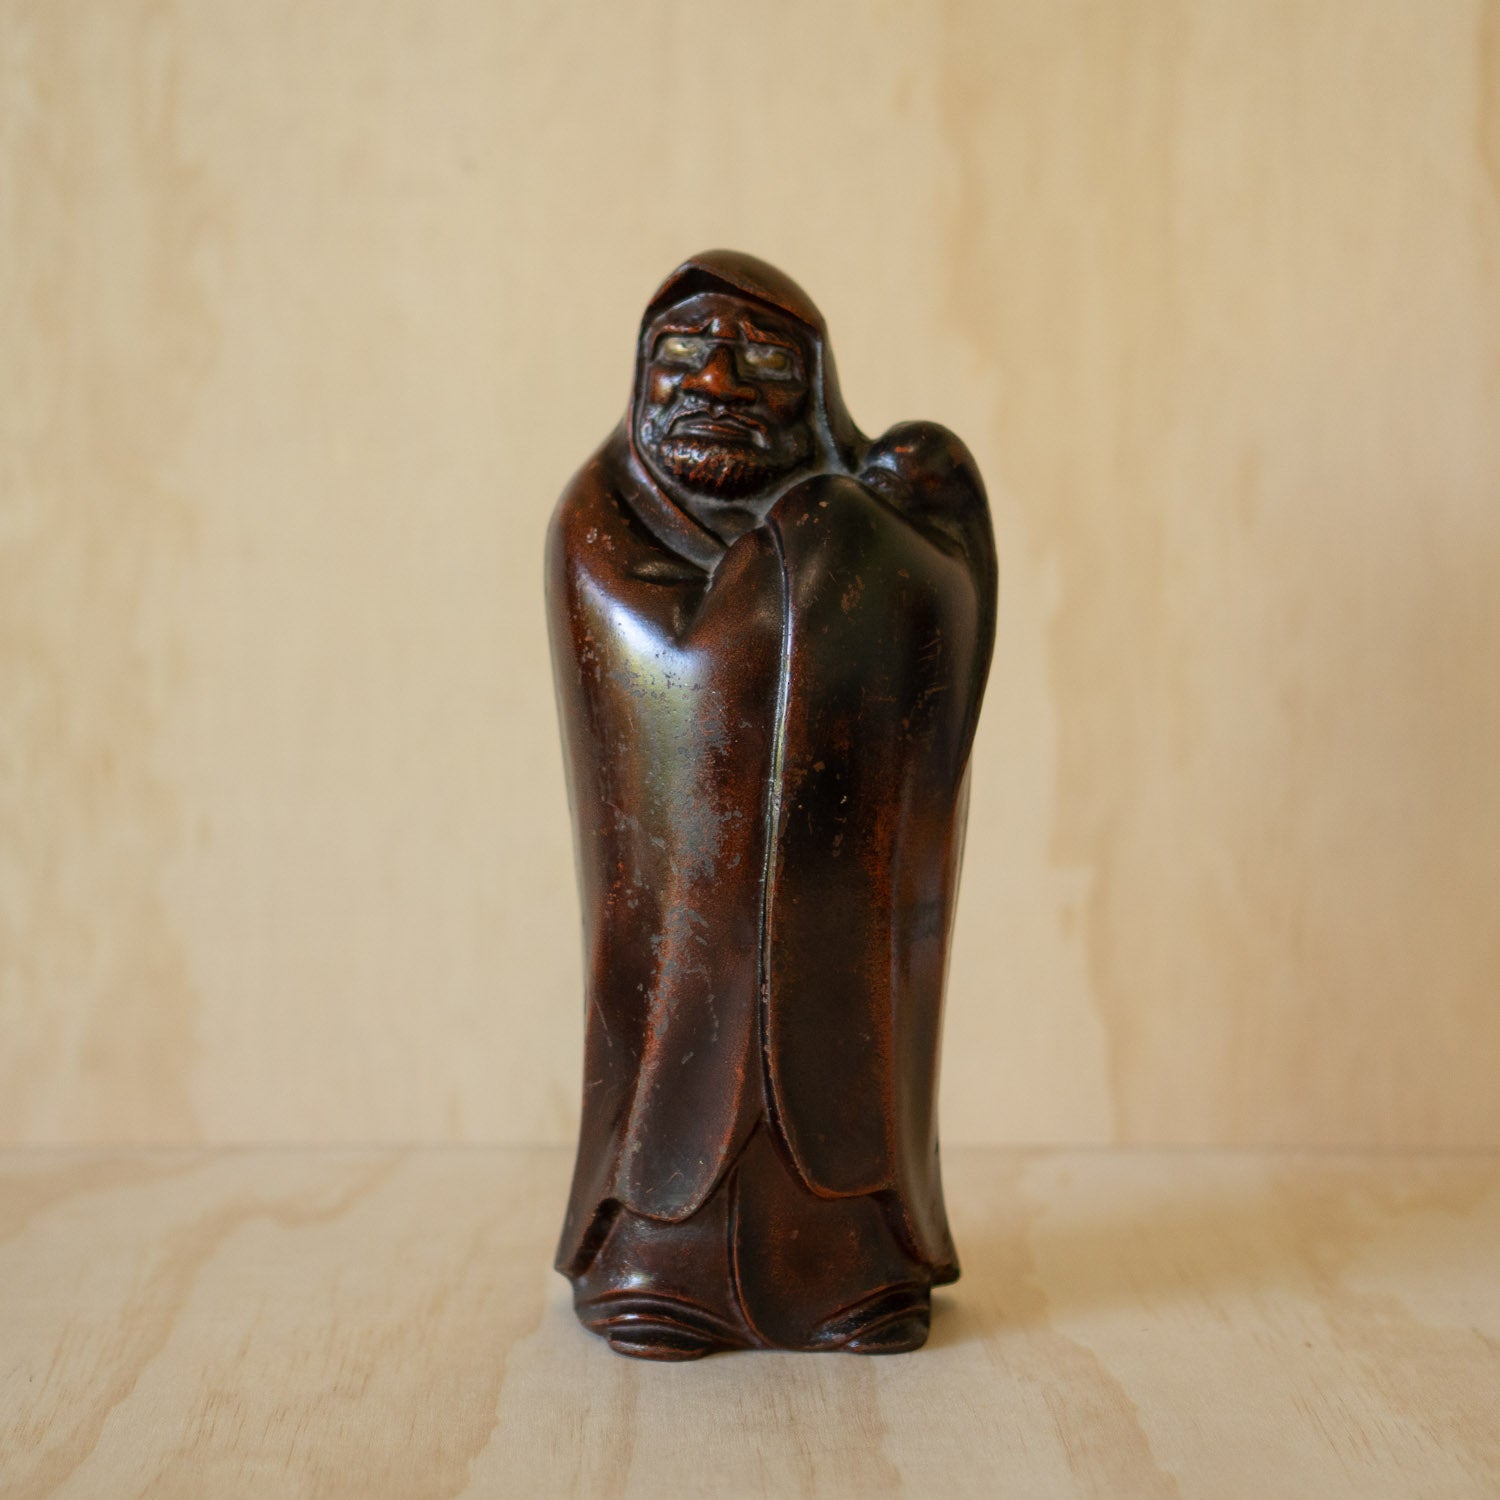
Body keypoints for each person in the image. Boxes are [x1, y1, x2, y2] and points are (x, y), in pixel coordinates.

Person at [547, 250, 997, 1359]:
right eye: (686, 353)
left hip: (833, 922)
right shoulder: (601, 524)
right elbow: (674, 668)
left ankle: (849, 1266)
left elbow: (934, 626)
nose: (719, 383)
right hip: (682, 923)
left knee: (847, 1032)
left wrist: (920, 526)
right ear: (642, 374)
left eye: (765, 364)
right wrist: (818, 537)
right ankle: (660, 1261)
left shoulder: (858, 510)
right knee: (674, 1041)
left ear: (820, 394)